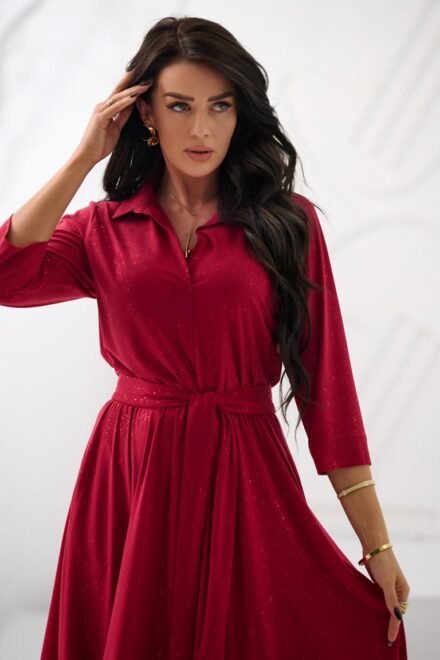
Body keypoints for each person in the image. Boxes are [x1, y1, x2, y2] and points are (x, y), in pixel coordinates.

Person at [0, 15, 409, 660]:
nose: (201, 129)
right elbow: (8, 275)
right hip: (130, 469)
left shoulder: (288, 225)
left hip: (245, 467)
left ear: (240, 113)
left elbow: (329, 396)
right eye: (179, 106)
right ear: (145, 114)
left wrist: (377, 546)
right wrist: (84, 156)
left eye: (220, 106)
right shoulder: (104, 229)